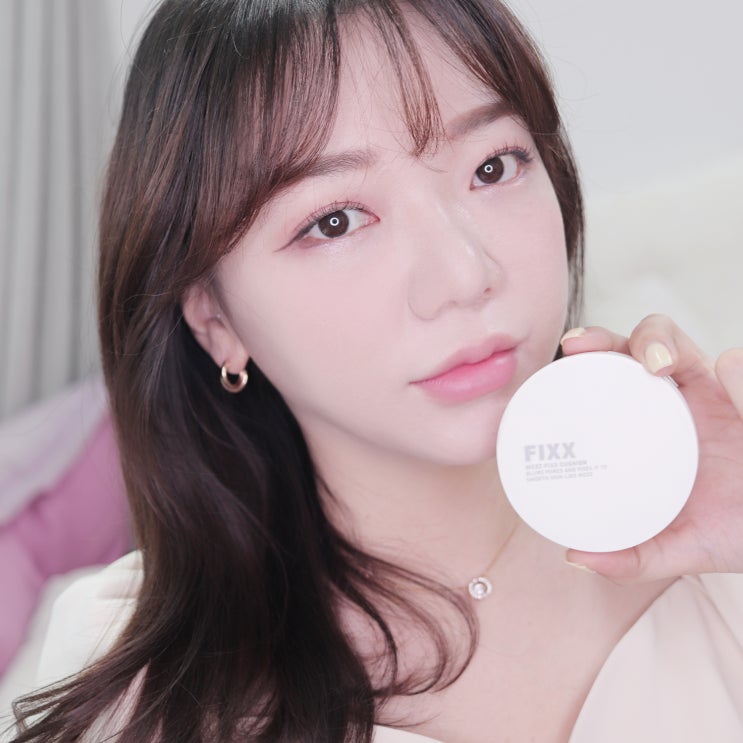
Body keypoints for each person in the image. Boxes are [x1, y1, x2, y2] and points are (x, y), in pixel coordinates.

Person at [8, 0, 743, 740]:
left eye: (492, 167)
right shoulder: (141, 691)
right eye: (334, 221)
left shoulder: (716, 554)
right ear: (217, 322)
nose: (463, 275)